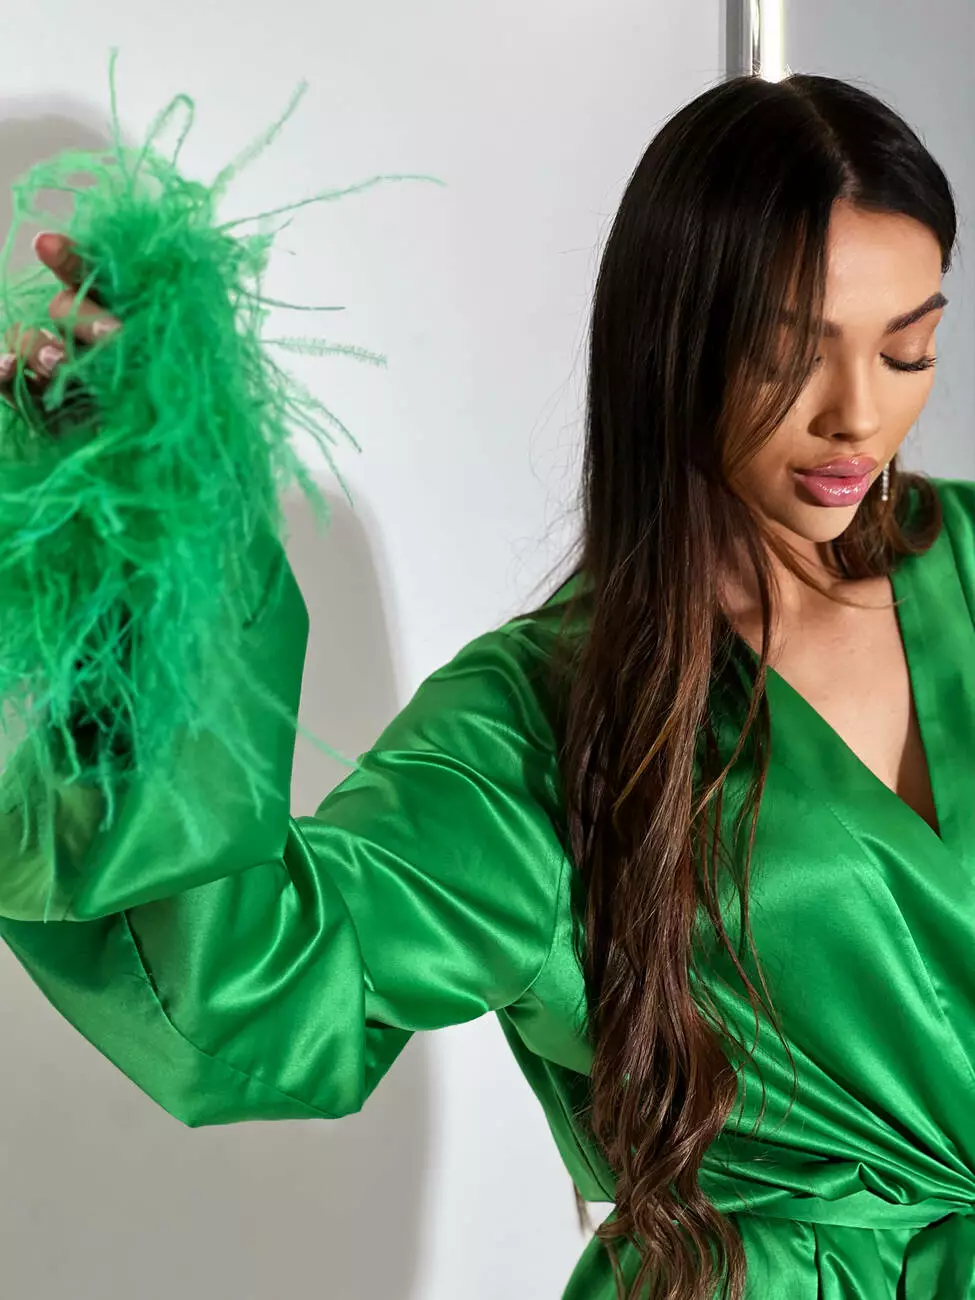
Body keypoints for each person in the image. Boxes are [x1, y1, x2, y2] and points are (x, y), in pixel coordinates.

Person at [0, 71, 968, 1300]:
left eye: (908, 348)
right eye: (790, 353)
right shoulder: (548, 719)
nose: (859, 417)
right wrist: (155, 552)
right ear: (674, 336)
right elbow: (248, 983)